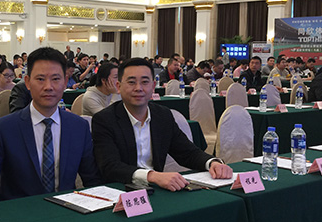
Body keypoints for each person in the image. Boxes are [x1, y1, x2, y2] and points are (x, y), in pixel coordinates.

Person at [92, 58, 233, 191]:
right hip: (120, 191)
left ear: (153, 86)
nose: (138, 88)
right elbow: (110, 167)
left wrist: (212, 163)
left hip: (156, 189)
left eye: (145, 82)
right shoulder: (104, 120)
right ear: (118, 86)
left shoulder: (162, 115)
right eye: (131, 82)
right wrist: (152, 176)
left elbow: (187, 152)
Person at [0, 47, 101, 200]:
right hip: (19, 210)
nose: (48, 87)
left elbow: (92, 179)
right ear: (28, 82)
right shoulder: (4, 128)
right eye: (40, 79)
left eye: (55, 79)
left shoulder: (79, 127)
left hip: (65, 209)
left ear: (65, 82)